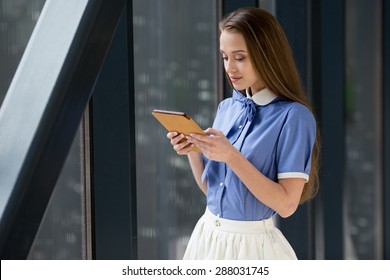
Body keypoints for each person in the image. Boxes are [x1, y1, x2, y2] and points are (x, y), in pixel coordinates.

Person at [167, 7, 320, 260]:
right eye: (225, 57)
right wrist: (192, 150)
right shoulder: (227, 107)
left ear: (267, 55)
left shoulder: (294, 117)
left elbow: (286, 205)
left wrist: (231, 156)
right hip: (206, 239)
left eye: (240, 57)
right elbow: (214, 191)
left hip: (252, 250)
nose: (230, 68)